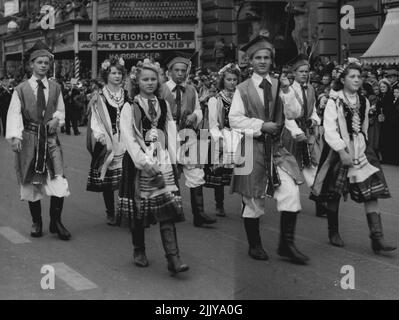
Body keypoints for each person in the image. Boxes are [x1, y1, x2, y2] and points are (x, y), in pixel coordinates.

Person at [229, 36, 309, 264]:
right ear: (250, 61)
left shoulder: (280, 85)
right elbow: (234, 119)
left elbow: (294, 113)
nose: (262, 61)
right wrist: (260, 125)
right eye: (258, 58)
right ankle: (254, 245)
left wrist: (286, 90)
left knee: (291, 192)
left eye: (266, 57)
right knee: (253, 199)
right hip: (252, 148)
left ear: (272, 61)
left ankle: (286, 244)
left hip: (276, 149)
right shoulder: (242, 89)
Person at [310, 60, 396, 253]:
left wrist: (364, 146)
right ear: (342, 79)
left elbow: (364, 125)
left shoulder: (363, 100)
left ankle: (377, 238)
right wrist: (341, 150)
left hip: (361, 148)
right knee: (334, 192)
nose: (357, 80)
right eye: (352, 76)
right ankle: (333, 232)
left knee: (371, 192)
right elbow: (330, 130)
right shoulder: (335, 100)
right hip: (339, 148)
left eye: (359, 76)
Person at [118, 60, 189, 274]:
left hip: (163, 161)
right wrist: (143, 162)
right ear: (136, 82)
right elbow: (129, 138)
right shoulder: (130, 107)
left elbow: (171, 132)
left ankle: (173, 258)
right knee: (139, 210)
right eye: (144, 79)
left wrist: (176, 158)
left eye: (153, 79)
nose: (149, 83)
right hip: (139, 163)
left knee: (167, 209)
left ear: (158, 80)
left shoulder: (163, 104)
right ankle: (139, 249)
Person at [6, 41, 71, 240]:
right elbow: (14, 114)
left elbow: (61, 110)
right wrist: (15, 137)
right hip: (30, 140)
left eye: (46, 63)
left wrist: (56, 119)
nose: (43, 65)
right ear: (31, 65)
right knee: (31, 182)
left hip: (50, 140)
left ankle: (56, 221)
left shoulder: (55, 87)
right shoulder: (21, 89)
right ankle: (37, 221)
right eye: (40, 62)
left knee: (58, 180)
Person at [159, 54, 217, 227]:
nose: (180, 74)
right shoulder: (161, 89)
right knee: (168, 174)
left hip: (188, 135)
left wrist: (194, 115)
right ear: (169, 72)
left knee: (196, 172)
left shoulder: (191, 89)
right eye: (176, 70)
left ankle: (199, 215)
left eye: (183, 71)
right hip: (168, 136)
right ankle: (170, 212)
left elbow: (199, 109)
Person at [280, 54, 325, 217]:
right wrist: (296, 131)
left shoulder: (312, 89)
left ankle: (320, 202)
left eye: (307, 71)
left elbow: (313, 110)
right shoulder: (288, 89)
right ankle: (292, 202)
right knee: (293, 166)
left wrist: (313, 120)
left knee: (313, 166)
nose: (305, 74)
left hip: (308, 132)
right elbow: (286, 115)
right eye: (301, 71)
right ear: (294, 73)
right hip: (292, 134)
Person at [86, 57, 128, 225]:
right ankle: (110, 212)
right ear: (106, 75)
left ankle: (125, 210)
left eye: (119, 73)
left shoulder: (127, 94)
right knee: (109, 180)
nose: (117, 76)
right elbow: (95, 119)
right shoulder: (100, 96)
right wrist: (101, 136)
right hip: (109, 140)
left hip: (125, 140)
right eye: (113, 73)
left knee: (127, 178)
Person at [206, 63, 241, 216]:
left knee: (243, 173)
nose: (232, 82)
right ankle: (219, 204)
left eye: (234, 79)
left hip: (240, 136)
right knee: (219, 173)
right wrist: (218, 139)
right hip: (223, 135)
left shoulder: (243, 98)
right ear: (223, 81)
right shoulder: (216, 100)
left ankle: (246, 204)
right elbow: (213, 123)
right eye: (229, 79)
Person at [378, 78, 396, 165]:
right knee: (383, 139)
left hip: (389, 121)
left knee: (388, 139)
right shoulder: (381, 96)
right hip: (383, 121)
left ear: (387, 87)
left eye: (384, 87)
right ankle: (385, 158)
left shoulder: (390, 96)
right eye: (381, 87)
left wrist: (383, 110)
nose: (382, 88)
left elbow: (391, 108)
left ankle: (389, 158)